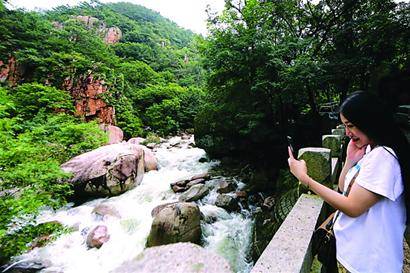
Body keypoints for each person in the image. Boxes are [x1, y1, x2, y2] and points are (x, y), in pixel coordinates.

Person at [288, 91, 410, 273]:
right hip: (354, 254)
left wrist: (305, 179)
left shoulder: (384, 158)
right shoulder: (372, 151)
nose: (347, 133)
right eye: (344, 126)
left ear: (370, 122)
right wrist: (351, 160)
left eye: (350, 125)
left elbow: (352, 207)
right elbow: (345, 189)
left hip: (369, 263)